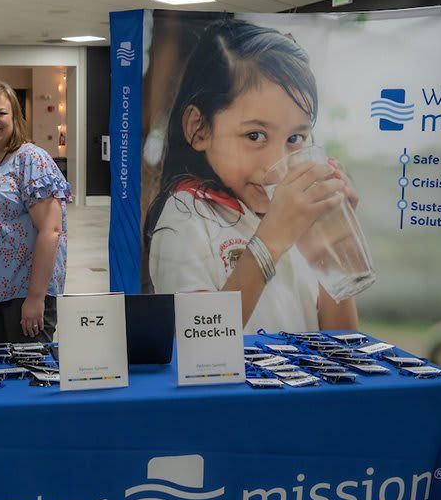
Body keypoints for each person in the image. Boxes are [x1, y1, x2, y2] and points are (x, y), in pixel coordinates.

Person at [144, 19, 359, 333]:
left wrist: (331, 246)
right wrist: (269, 242)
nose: (277, 163)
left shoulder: (295, 218)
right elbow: (200, 341)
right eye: (255, 136)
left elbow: (343, 341)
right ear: (198, 128)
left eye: (295, 139)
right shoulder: (185, 216)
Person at [0, 81, 71, 343]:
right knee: (1, 377)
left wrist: (35, 297)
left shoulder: (31, 159)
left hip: (23, 292)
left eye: (0, 113)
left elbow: (51, 230)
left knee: (28, 378)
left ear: (15, 118)